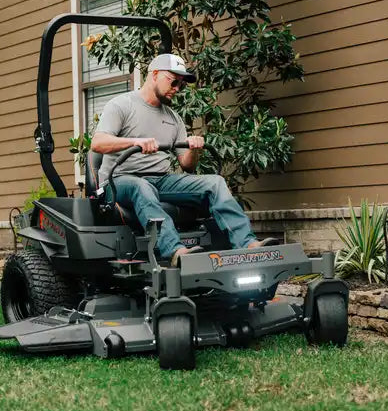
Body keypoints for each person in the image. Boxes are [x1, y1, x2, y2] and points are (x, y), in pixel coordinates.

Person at [91, 53, 277, 266]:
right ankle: (175, 252)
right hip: (120, 181)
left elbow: (187, 165)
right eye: (173, 82)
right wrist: (136, 142)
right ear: (154, 75)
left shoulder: (173, 118)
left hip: (160, 180)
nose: (177, 89)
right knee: (141, 187)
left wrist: (193, 148)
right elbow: (98, 143)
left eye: (181, 85)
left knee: (214, 183)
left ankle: (247, 244)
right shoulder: (122, 105)